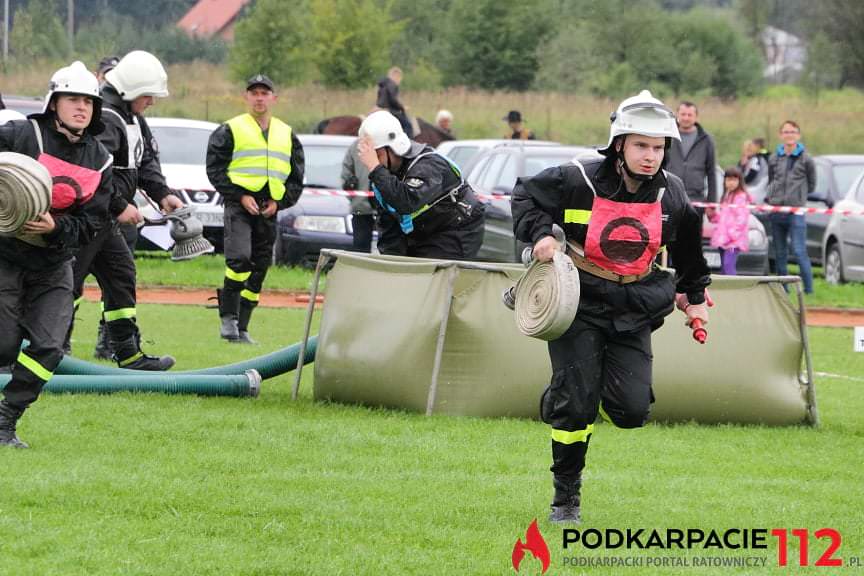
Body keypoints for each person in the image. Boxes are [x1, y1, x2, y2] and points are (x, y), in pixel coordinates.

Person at [511, 90, 711, 524]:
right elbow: (525, 195)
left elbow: (690, 248)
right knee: (577, 403)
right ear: (619, 144)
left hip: (636, 305)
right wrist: (540, 235)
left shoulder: (672, 194)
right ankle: (566, 497)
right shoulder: (576, 177)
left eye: (658, 148)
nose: (651, 156)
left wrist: (694, 298)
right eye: (641, 145)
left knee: (632, 412)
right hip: (578, 302)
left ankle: (577, 386)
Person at [0, 61, 113, 448]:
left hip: (54, 261)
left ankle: (6, 419)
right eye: (73, 99)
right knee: (3, 344)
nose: (82, 107)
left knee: (49, 345)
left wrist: (55, 228)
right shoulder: (19, 134)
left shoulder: (101, 159)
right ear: (53, 102)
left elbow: (92, 223)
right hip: (6, 255)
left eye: (89, 101)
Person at [68, 50, 183, 369]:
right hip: (88, 217)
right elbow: (94, 169)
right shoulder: (104, 115)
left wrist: (163, 194)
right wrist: (120, 206)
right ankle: (54, 350)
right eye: (148, 95)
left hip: (106, 220)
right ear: (132, 90)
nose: (152, 101)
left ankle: (128, 354)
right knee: (68, 283)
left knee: (121, 276)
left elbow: (144, 162)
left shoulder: (132, 118)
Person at [207, 74, 305, 343]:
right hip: (239, 204)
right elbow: (214, 169)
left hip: (269, 206)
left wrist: (280, 203)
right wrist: (239, 196)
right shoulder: (230, 129)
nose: (259, 97)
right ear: (245, 97)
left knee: (260, 265)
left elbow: (296, 177)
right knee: (239, 258)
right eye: (254, 93)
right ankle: (228, 318)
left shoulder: (287, 134)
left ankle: (244, 327)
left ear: (274, 98)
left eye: (264, 93)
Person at [356, 110, 485, 260]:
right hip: (425, 230)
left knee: (430, 275)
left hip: (457, 228)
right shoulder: (383, 176)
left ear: (392, 147)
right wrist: (391, 263)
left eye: (376, 155)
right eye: (369, 158)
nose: (372, 162)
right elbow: (388, 224)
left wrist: (375, 168)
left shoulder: (429, 165)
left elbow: (406, 202)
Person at [766, 120, 816, 294]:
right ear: (781, 135)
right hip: (777, 210)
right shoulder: (774, 158)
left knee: (799, 250)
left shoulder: (806, 158)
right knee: (780, 252)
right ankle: (783, 289)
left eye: (793, 132)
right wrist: (773, 198)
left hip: (796, 211)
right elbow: (771, 180)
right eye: (786, 132)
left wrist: (799, 198)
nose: (789, 135)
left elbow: (812, 183)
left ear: (798, 135)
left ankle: (808, 290)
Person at [665, 101, 717, 204]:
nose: (686, 118)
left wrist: (712, 202)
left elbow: (711, 171)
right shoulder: (668, 136)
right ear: (677, 115)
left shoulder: (706, 139)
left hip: (696, 198)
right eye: (683, 114)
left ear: (696, 117)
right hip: (670, 195)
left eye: (690, 115)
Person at [708, 167, 752, 275]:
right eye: (728, 179)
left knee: (728, 266)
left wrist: (732, 234)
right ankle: (725, 290)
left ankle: (734, 290)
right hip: (723, 239)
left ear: (739, 181)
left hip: (733, 241)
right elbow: (724, 217)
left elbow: (742, 219)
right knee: (723, 268)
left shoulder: (741, 197)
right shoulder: (727, 196)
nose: (731, 183)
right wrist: (713, 216)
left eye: (734, 179)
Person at [341, 139, 375, 253]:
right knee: (389, 251)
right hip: (387, 208)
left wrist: (354, 199)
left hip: (361, 208)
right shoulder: (389, 143)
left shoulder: (356, 146)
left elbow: (345, 178)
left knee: (360, 251)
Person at [376, 66, 412, 138]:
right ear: (396, 75)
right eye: (399, 78)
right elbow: (393, 100)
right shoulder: (392, 84)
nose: (399, 80)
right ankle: (404, 143)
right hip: (389, 110)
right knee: (408, 125)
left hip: (380, 109)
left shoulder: (383, 84)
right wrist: (402, 107)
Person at [738, 138, 769, 203]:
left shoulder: (756, 159)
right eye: (745, 149)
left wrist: (741, 182)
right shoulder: (746, 160)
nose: (746, 151)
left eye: (749, 149)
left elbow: (751, 175)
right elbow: (738, 173)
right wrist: (742, 165)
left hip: (755, 189)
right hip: (750, 189)